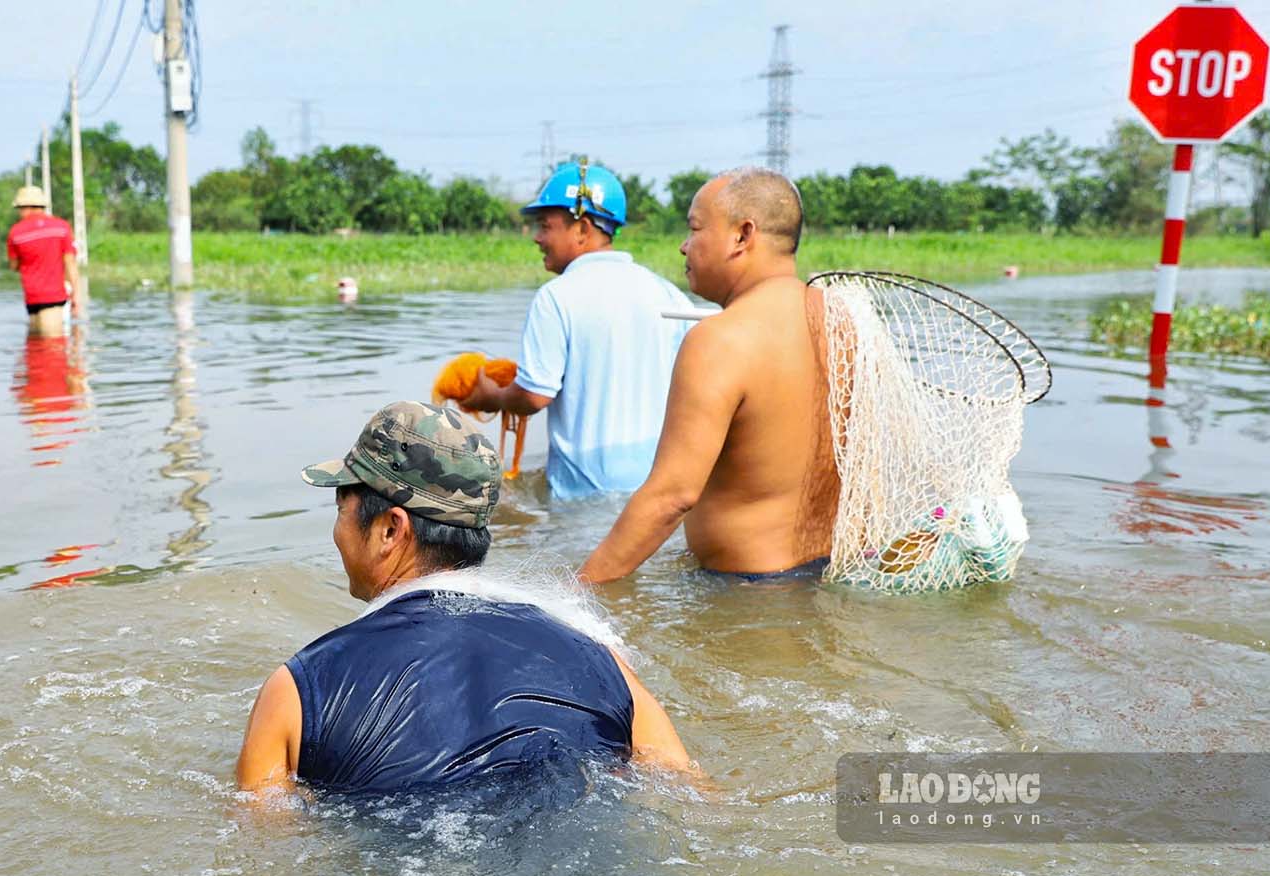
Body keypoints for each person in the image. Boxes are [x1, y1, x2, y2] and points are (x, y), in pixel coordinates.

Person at [236, 401, 691, 797]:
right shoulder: (603, 662)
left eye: (341, 509)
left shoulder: (301, 690)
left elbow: (263, 850)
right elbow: (688, 794)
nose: (337, 530)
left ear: (391, 529)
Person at [579, 167, 841, 583]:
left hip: (746, 594)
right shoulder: (844, 321)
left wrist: (573, 592)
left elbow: (671, 496)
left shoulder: (719, 340)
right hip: (828, 576)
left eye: (695, 228)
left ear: (743, 235)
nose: (684, 247)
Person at [459, 161, 695, 500]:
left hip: (582, 497)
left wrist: (491, 397)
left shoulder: (556, 297)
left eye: (545, 226)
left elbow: (533, 395)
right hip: (655, 496)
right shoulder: (667, 294)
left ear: (583, 228)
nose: (537, 238)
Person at [6, 186, 81, 338]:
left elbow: (14, 266)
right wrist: (76, 297)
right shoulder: (61, 227)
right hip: (54, 297)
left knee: (34, 346)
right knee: (53, 349)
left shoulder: (16, 232)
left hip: (31, 297)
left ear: (25, 208)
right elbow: (70, 264)